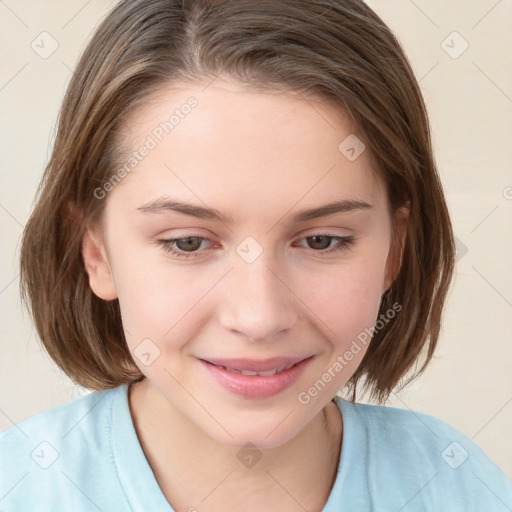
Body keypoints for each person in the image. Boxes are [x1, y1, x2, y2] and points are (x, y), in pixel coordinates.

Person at [1, 0, 511, 510]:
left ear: (393, 250)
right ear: (97, 254)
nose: (259, 317)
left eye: (321, 240)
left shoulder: (460, 488)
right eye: (188, 242)